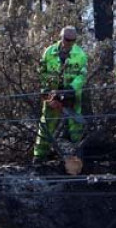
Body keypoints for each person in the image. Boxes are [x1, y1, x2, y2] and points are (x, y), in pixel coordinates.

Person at [33, 26, 88, 161]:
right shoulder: (49, 52)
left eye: (72, 40)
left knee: (75, 126)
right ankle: (39, 157)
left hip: (72, 96)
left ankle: (76, 157)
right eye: (66, 39)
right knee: (46, 125)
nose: (68, 43)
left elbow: (82, 75)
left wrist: (71, 89)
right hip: (52, 94)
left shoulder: (80, 55)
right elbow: (41, 73)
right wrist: (47, 94)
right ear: (61, 37)